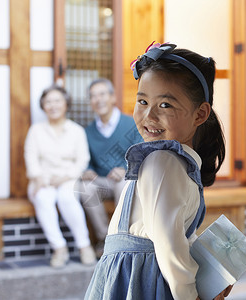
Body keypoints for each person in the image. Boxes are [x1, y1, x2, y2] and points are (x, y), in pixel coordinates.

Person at [84, 42, 232, 300]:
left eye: (165, 105)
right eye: (142, 101)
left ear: (200, 114)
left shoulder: (165, 160)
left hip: (138, 276)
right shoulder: (163, 160)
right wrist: (192, 295)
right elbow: (168, 242)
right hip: (147, 280)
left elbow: (172, 235)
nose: (148, 115)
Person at [24, 84, 96, 268]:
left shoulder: (76, 131)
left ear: (66, 104)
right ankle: (59, 248)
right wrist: (38, 178)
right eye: (48, 102)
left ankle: (84, 246)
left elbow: (82, 160)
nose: (53, 105)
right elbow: (31, 158)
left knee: (67, 198)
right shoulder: (36, 131)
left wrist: (65, 177)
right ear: (43, 106)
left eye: (57, 100)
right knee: (42, 198)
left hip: (68, 179)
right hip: (44, 180)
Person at [78, 78, 142, 257]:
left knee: (124, 182)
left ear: (113, 97)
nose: (98, 99)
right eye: (93, 96)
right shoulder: (88, 131)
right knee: (84, 188)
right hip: (102, 181)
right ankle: (105, 239)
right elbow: (86, 158)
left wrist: (124, 168)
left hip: (125, 179)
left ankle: (123, 237)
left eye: (102, 94)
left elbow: (141, 152)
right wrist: (88, 170)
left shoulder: (130, 124)